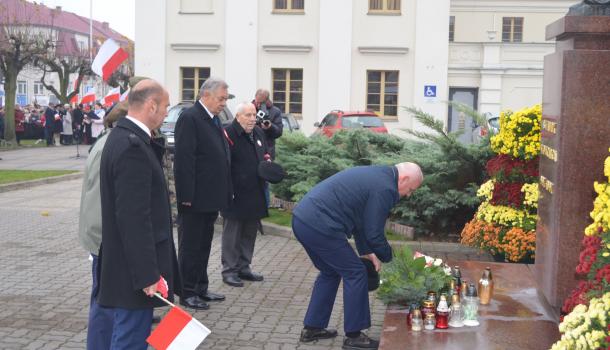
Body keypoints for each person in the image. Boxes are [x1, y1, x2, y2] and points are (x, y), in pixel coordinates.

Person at [292, 162, 423, 349]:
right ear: (404, 179)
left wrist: (367, 251)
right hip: (321, 226)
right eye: (410, 189)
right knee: (356, 272)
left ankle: (312, 327)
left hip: (302, 220)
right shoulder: (385, 188)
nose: (408, 195)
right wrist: (392, 260)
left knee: (330, 272)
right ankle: (354, 336)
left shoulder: (379, 175)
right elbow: (374, 233)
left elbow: (361, 220)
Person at [97, 79, 179, 349]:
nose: (167, 112)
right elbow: (134, 218)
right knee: (130, 339)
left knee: (134, 335)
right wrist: (147, 275)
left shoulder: (126, 137)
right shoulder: (132, 147)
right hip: (134, 272)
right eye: (166, 106)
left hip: (129, 265)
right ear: (151, 105)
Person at [174, 77, 231, 310]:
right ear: (205, 95)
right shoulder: (190, 118)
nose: (224, 104)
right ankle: (187, 292)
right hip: (194, 199)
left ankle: (201, 287)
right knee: (191, 246)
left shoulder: (213, 118)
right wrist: (185, 196)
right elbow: (184, 160)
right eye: (221, 99)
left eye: (226, 99)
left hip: (209, 197)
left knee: (204, 244)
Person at [220, 102, 268, 287]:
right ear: (238, 116)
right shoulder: (228, 134)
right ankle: (229, 270)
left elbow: (265, 154)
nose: (252, 119)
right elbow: (222, 163)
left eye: (254, 115)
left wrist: (268, 163)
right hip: (235, 191)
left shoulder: (258, 133)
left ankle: (244, 267)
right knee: (232, 234)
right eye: (247, 115)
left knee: (249, 232)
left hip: (255, 191)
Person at [252, 89, 283, 160]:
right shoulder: (248, 108)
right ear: (255, 97)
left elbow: (279, 133)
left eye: (261, 103)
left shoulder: (275, 111)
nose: (259, 105)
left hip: (267, 151)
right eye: (257, 102)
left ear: (267, 100)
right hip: (251, 148)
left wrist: (270, 127)